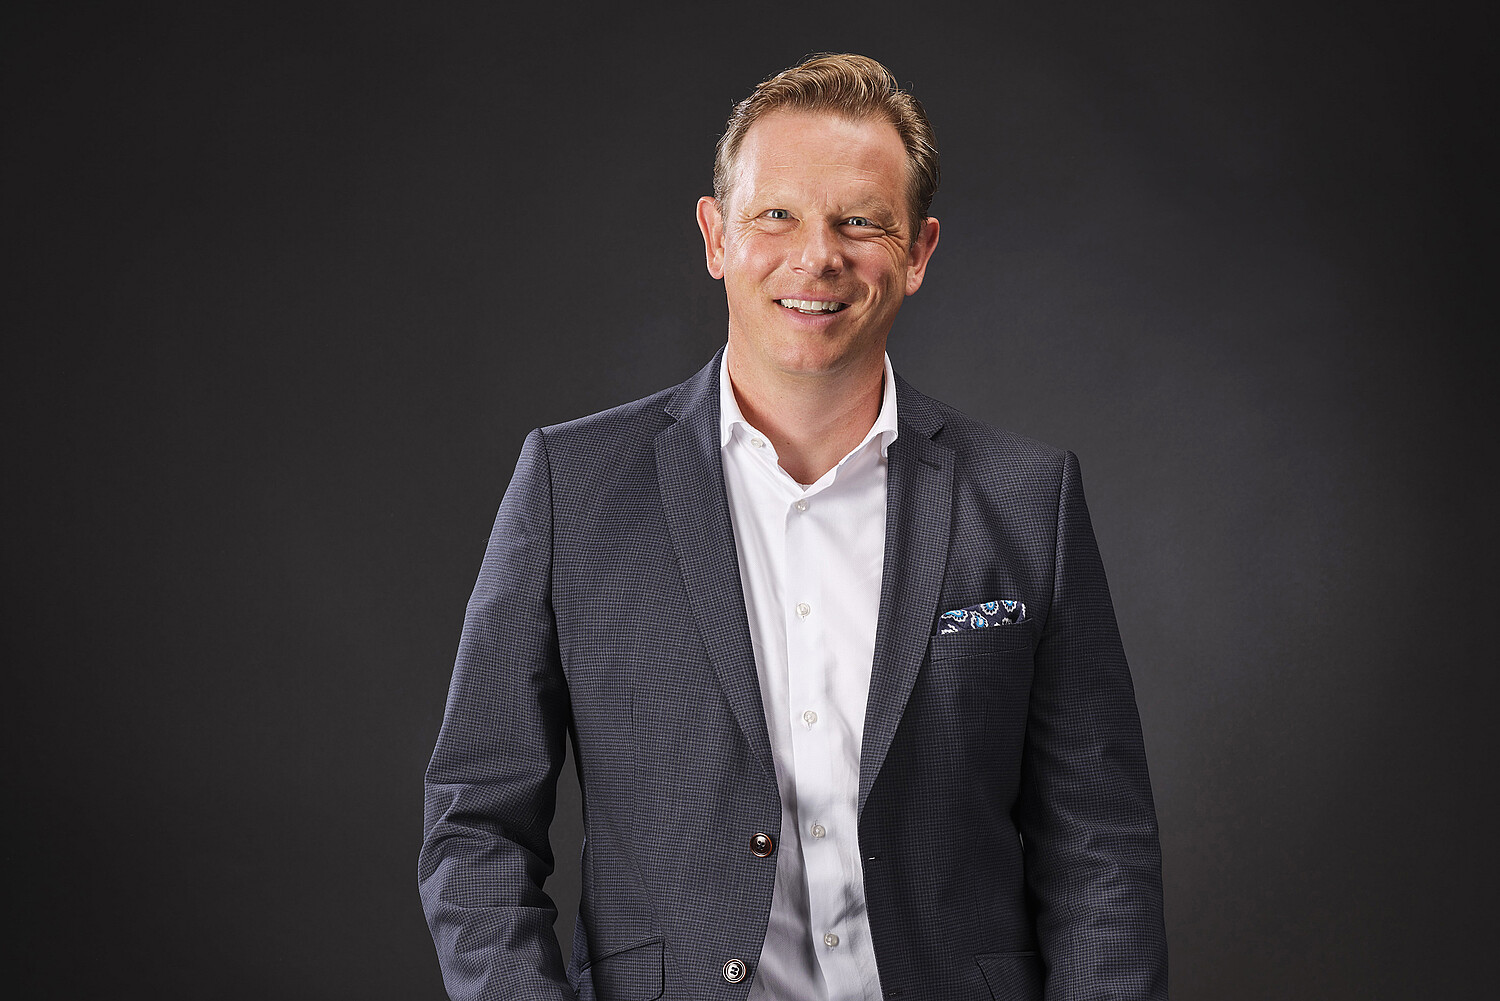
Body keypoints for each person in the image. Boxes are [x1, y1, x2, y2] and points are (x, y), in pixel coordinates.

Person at [420, 53, 1167, 1001]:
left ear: (919, 251)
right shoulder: (573, 487)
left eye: (860, 221)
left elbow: (1101, 850)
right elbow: (476, 827)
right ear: (716, 236)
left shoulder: (1027, 499)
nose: (817, 256)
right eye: (776, 215)